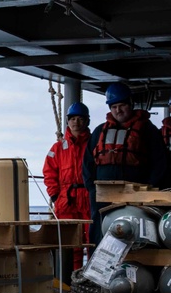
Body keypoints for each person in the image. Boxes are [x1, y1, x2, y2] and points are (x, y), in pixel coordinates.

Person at [83, 82, 168, 244]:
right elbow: (87, 163)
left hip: (136, 195)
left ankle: (137, 265)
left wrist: (149, 189)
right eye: (113, 107)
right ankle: (97, 266)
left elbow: (160, 162)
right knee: (100, 233)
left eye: (122, 105)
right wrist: (92, 189)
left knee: (135, 232)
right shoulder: (99, 131)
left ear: (130, 104)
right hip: (102, 196)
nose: (118, 110)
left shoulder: (147, 130)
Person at [43, 103, 91, 271]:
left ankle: (92, 281)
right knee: (69, 244)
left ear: (86, 121)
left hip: (88, 198)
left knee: (92, 241)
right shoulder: (57, 148)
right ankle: (70, 281)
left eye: (79, 118)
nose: (75, 122)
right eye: (72, 119)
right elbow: (49, 173)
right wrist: (55, 196)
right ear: (67, 122)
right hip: (66, 201)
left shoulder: (93, 145)